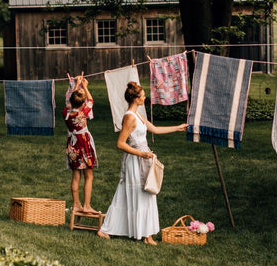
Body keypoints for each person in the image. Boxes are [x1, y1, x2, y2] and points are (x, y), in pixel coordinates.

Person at [98, 81, 187, 245]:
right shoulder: (129, 118)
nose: (145, 97)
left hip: (144, 157)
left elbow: (155, 129)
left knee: (136, 194)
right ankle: (145, 235)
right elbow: (121, 143)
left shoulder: (138, 115)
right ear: (136, 99)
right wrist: (141, 154)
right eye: (143, 95)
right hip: (136, 161)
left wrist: (178, 128)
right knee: (142, 194)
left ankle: (120, 231)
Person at [63, 73, 99, 215]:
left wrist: (76, 85)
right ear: (82, 103)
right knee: (89, 176)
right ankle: (86, 205)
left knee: (76, 175)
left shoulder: (66, 112)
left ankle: (76, 204)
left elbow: (71, 102)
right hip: (83, 145)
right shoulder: (83, 112)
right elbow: (91, 100)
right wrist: (85, 86)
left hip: (72, 146)